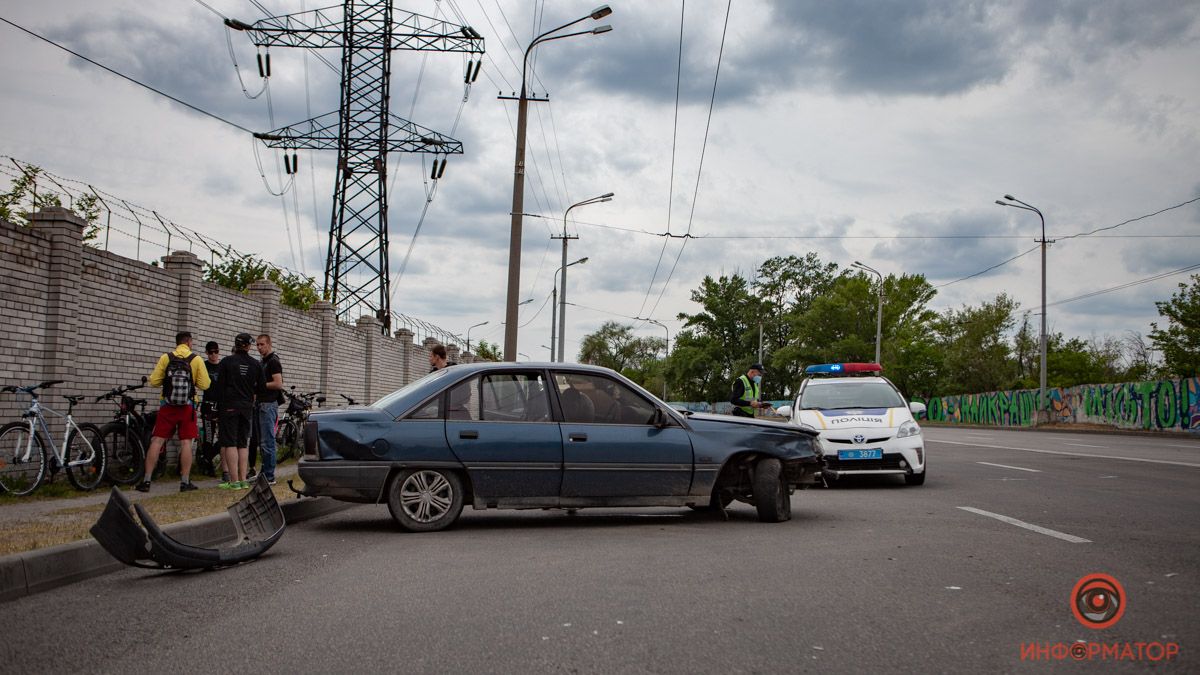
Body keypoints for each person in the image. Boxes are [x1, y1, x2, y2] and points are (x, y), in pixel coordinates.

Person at [138, 331, 210, 492]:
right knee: (186, 443)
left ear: (177, 343)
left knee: (157, 441)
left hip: (167, 405)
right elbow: (205, 384)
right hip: (188, 407)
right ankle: (185, 482)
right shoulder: (196, 359)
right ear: (189, 342)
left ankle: (146, 480)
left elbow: (154, 382)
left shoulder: (166, 357)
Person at [215, 333, 262, 490]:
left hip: (229, 406)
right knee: (243, 444)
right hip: (247, 407)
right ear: (248, 346)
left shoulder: (227, 362)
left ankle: (233, 481)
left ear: (236, 344)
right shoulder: (256, 364)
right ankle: (243, 480)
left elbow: (219, 385)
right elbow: (260, 387)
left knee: (230, 443)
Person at [251, 333, 284, 485]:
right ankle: (264, 473)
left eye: (262, 344)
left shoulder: (273, 361)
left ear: (269, 344)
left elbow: (278, 383)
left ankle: (270, 476)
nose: (259, 347)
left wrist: (260, 385)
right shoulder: (262, 361)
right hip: (261, 403)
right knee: (261, 442)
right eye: (257, 344)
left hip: (269, 404)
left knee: (267, 441)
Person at [199, 341, 225, 480]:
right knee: (208, 437)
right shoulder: (203, 365)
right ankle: (208, 467)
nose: (214, 355)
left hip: (221, 406)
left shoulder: (223, 366)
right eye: (211, 352)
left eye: (216, 351)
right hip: (208, 406)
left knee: (223, 438)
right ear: (207, 353)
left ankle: (206, 458)